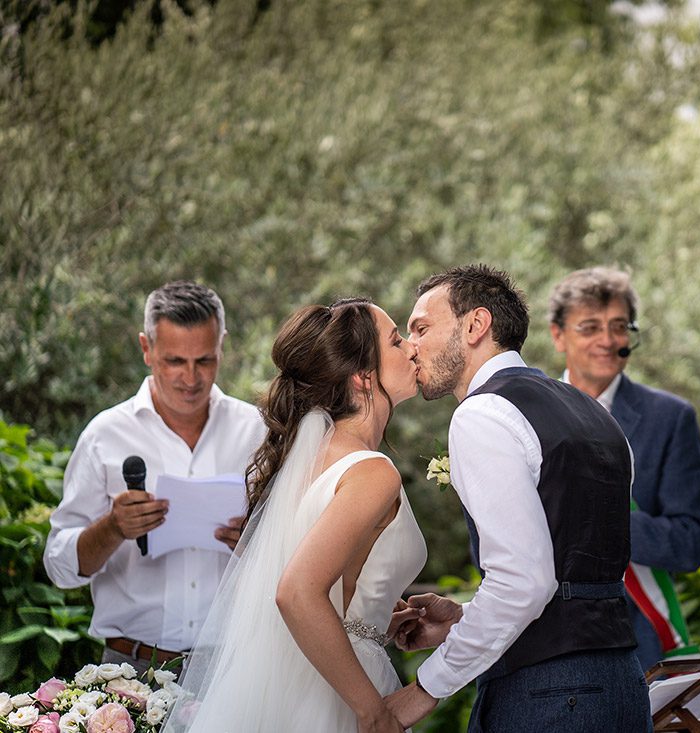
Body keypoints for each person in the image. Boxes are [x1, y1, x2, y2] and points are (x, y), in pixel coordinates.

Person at [385, 264, 652, 732]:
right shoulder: (594, 411)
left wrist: (424, 688)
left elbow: (524, 583)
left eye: (421, 328)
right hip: (623, 683)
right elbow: (570, 575)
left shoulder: (483, 414)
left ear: (475, 325)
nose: (411, 346)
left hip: (549, 692)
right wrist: (463, 619)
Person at [165, 298, 426, 732]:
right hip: (340, 693)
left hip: (298, 679)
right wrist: (372, 711)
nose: (413, 348)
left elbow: (330, 578)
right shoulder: (372, 472)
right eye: (397, 341)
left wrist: (375, 612)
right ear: (363, 377)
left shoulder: (314, 458)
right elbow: (296, 591)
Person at [44, 281, 267, 674]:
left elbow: (296, 554)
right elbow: (59, 567)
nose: (191, 378)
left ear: (222, 345)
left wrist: (257, 542)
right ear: (146, 348)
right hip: (129, 668)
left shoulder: (257, 431)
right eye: (175, 361)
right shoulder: (103, 436)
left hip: (231, 673)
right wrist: (112, 528)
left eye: (204, 360)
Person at [547, 267, 700, 671]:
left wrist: (594, 514)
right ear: (558, 336)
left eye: (619, 327)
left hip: (639, 648)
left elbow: (690, 544)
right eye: (590, 327)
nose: (607, 340)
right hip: (544, 643)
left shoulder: (670, 418)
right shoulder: (523, 416)